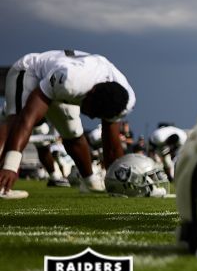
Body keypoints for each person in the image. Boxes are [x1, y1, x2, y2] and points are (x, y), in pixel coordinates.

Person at [1, 50, 135, 197]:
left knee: (73, 133)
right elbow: (27, 118)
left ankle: (90, 182)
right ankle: (3, 182)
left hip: (61, 83)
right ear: (91, 92)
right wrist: (10, 166)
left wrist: (116, 180)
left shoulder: (123, 100)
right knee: (16, 120)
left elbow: (111, 147)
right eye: (92, 110)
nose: (90, 117)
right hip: (31, 72)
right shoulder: (70, 80)